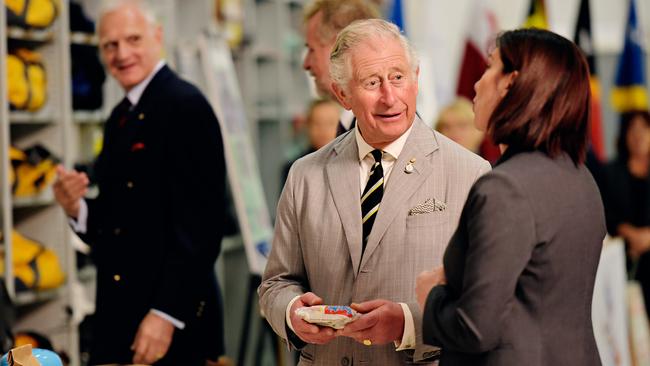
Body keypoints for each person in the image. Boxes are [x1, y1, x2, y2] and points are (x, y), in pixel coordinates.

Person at [259, 19, 491, 365]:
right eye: (371, 82)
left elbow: (482, 301)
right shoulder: (305, 174)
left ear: (415, 78)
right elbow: (277, 283)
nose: (389, 96)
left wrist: (408, 323)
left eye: (398, 77)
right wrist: (292, 311)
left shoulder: (470, 173)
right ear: (342, 94)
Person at [415, 28, 606, 365]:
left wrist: (432, 296)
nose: (477, 83)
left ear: (509, 82)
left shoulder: (505, 188)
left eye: (489, 67)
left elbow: (476, 328)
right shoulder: (579, 176)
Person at [52, 1, 227, 365]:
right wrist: (77, 207)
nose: (122, 54)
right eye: (109, 45)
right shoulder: (120, 116)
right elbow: (120, 220)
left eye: (133, 39)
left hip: (171, 322)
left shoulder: (186, 105)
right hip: (123, 315)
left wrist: (166, 314)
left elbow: (202, 227)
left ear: (157, 37)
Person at [302, 0, 380, 135]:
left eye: (312, 50)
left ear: (340, 46)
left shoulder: (382, 127)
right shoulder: (357, 123)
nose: (306, 64)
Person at [602, 110, 650, 315]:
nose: (638, 136)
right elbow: (605, 213)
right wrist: (630, 234)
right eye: (633, 130)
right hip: (624, 260)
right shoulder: (611, 172)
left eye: (643, 129)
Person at [282, 99, 341, 184]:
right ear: (308, 126)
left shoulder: (350, 163)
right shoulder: (294, 168)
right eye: (317, 123)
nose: (323, 130)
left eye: (330, 123)